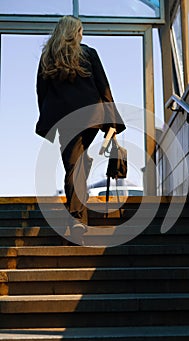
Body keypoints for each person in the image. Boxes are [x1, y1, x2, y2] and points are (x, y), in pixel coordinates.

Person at [35, 15, 126, 235]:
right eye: (81, 30)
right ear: (76, 32)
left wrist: (46, 118)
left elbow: (41, 91)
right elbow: (103, 85)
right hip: (90, 117)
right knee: (77, 162)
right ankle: (78, 214)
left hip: (64, 118)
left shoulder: (48, 58)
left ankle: (75, 217)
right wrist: (111, 119)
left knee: (72, 163)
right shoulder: (88, 53)